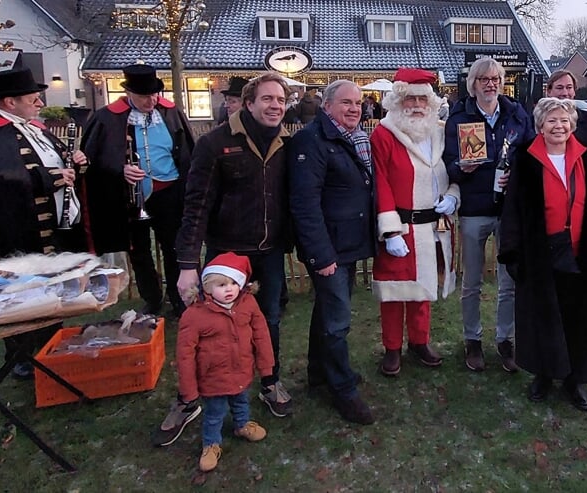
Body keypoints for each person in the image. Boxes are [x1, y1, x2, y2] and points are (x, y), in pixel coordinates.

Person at [172, 72, 293, 426]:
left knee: (267, 319)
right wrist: (187, 263)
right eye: (268, 99)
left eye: (281, 100)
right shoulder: (214, 144)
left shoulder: (286, 143)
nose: (275, 106)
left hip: (268, 250)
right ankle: (196, 393)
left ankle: (270, 382)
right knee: (213, 325)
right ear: (249, 102)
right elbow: (196, 204)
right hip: (227, 252)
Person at [0, 68, 88, 379]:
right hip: (15, 232)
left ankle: (52, 345)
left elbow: (59, 162)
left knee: (51, 290)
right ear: (10, 102)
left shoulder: (36, 129)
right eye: (33, 98)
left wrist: (77, 162)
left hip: (51, 231)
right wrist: (48, 178)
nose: (40, 103)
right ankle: (22, 356)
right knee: (19, 293)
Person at [498, 98, 587, 411]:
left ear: (573, 125)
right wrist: (512, 251)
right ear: (540, 126)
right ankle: (543, 374)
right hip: (540, 253)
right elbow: (513, 209)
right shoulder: (525, 161)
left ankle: (575, 378)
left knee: (578, 316)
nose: (559, 126)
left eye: (565, 121)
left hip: (582, 252)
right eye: (552, 121)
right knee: (543, 316)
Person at [288, 80, 376, 424]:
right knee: (338, 319)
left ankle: (318, 373)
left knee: (326, 310)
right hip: (330, 248)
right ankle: (342, 389)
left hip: (346, 243)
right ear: (327, 106)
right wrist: (321, 255)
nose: (354, 108)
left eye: (358, 103)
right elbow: (305, 204)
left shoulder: (350, 137)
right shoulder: (312, 141)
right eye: (346, 103)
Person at [443, 57, 535, 373]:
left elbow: (531, 153)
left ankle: (505, 339)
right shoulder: (459, 118)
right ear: (474, 83)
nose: (490, 84)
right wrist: (460, 167)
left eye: (495, 78)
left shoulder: (516, 114)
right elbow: (447, 162)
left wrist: (517, 176)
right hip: (473, 209)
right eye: (484, 79)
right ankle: (472, 339)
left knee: (509, 279)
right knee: (472, 280)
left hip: (508, 211)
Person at [81, 64, 194, 318]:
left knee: (174, 247)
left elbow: (186, 148)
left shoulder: (170, 111)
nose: (151, 101)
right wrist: (119, 169)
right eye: (144, 96)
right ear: (129, 93)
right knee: (139, 250)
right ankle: (152, 299)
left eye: (154, 95)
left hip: (169, 191)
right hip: (130, 195)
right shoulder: (107, 117)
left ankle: (179, 299)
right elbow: (93, 159)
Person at [371, 68, 461, 376]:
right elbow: (380, 181)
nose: (417, 105)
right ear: (398, 101)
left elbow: (453, 169)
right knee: (396, 291)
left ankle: (419, 342)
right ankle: (392, 348)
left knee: (423, 289)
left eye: (423, 98)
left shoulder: (439, 131)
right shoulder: (384, 134)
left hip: (432, 226)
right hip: (400, 225)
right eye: (410, 99)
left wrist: (453, 194)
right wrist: (390, 230)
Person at [176, 252, 274, 472]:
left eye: (233, 283)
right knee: (215, 413)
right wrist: (188, 389)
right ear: (207, 288)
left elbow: (261, 334)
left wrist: (266, 365)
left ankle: (242, 424)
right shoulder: (194, 315)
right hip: (214, 378)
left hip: (241, 369)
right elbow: (185, 354)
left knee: (241, 400)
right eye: (221, 284)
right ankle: (211, 443)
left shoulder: (248, 303)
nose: (229, 289)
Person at [545, 70, 587, 154]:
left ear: (574, 91)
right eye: (559, 88)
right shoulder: (538, 119)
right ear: (549, 91)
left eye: (569, 87)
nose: (565, 93)